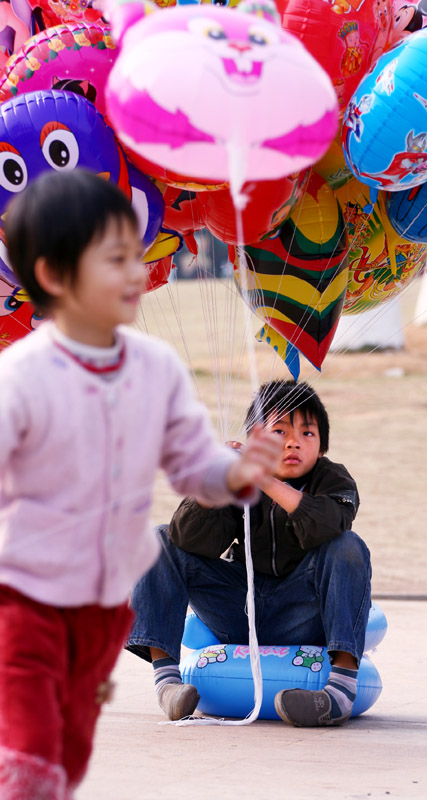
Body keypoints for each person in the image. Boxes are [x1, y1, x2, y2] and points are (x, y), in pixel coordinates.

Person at [0, 169, 281, 800]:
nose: (138, 272)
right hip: (26, 601)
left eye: (138, 253)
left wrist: (236, 472)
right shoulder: (21, 378)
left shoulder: (156, 370)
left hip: (103, 612)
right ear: (53, 276)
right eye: (116, 259)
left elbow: (190, 466)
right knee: (30, 749)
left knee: (67, 755)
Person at [127, 379, 372, 728]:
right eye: (279, 432)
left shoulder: (334, 480)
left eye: (307, 434)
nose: (293, 442)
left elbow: (328, 527)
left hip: (303, 612)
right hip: (240, 608)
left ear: (321, 447)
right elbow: (189, 539)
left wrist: (267, 482)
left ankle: (339, 692)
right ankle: (167, 683)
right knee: (161, 540)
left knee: (349, 545)